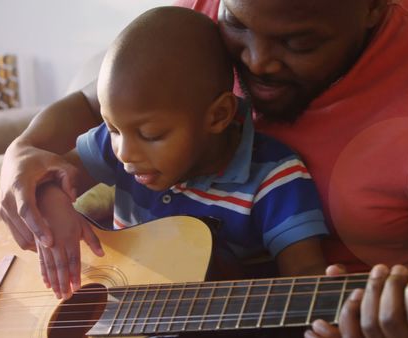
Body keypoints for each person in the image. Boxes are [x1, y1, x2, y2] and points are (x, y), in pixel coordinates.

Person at [0, 0, 408, 337]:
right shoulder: (198, 23)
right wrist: (21, 157)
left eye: (298, 42)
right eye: (237, 25)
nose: (255, 62)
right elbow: (100, 108)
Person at [31, 6, 328, 301]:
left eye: (151, 135)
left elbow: (305, 275)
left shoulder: (275, 177)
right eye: (112, 129)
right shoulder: (123, 144)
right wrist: (53, 205)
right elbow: (53, 179)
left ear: (218, 115)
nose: (124, 153)